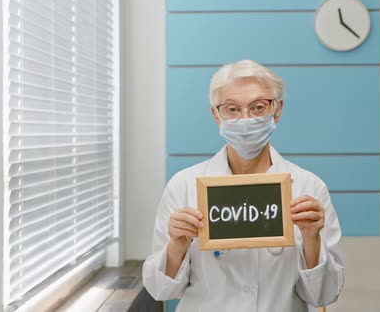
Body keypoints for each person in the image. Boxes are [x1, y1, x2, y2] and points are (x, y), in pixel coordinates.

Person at [142, 60, 344, 311]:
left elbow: (323, 296)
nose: (246, 119)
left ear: (277, 110)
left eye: (259, 107)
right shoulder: (183, 186)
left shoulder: (309, 188)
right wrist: (177, 246)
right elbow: (162, 290)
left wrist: (312, 239)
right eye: (232, 109)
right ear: (216, 115)